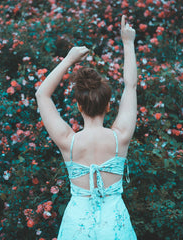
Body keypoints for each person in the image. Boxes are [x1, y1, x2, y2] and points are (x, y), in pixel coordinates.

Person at [35, 15, 137, 239]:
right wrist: (128, 43)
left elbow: (42, 94)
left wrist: (69, 59)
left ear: (79, 106)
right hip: (115, 226)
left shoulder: (68, 142)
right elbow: (130, 86)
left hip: (76, 227)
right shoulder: (120, 137)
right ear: (109, 105)